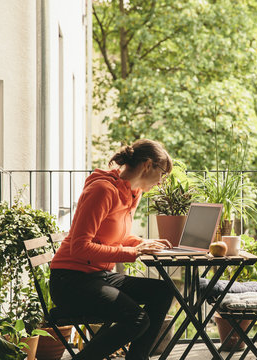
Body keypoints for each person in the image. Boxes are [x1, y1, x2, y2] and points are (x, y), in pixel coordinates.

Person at [50, 139, 174, 360]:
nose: (162, 181)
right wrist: (133, 253)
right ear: (147, 165)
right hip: (70, 281)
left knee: (164, 291)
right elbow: (80, 247)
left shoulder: (132, 194)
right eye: (163, 172)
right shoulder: (102, 189)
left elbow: (116, 236)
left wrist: (141, 243)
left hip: (98, 276)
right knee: (136, 318)